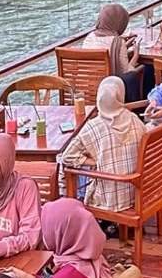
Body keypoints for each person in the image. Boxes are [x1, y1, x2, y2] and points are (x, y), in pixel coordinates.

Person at [62, 76, 148, 212]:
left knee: (71, 169)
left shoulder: (92, 127)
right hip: (136, 191)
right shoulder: (135, 120)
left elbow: (66, 157)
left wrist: (95, 162)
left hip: (108, 199)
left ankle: (72, 210)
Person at [82, 3, 144, 102]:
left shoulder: (89, 37)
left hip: (87, 88)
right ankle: (138, 110)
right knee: (137, 72)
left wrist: (124, 45)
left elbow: (105, 49)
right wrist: (136, 54)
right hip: (108, 91)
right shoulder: (118, 42)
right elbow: (126, 71)